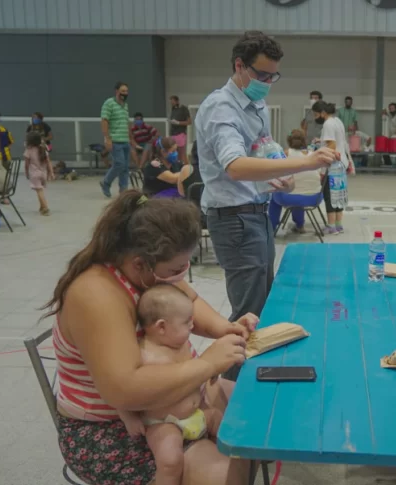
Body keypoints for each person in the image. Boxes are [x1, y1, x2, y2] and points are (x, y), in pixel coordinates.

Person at [42, 191, 257, 485]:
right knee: (227, 472)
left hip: (166, 402)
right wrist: (207, 364)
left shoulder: (148, 276)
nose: (180, 277)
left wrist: (227, 328)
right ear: (140, 263)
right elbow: (124, 390)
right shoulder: (97, 294)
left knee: (257, 408)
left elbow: (187, 302)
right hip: (114, 428)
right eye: (175, 270)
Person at [195, 32, 338, 382]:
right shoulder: (221, 108)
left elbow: (265, 147)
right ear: (239, 66)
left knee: (261, 306)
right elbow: (236, 166)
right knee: (247, 314)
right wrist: (302, 163)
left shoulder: (253, 103)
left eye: (273, 76)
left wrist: (282, 173)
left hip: (255, 214)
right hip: (235, 219)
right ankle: (227, 391)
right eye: (262, 75)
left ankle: (244, 384)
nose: (267, 83)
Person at [118, 284, 227, 485]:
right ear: (161, 326)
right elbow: (121, 391)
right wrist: (128, 418)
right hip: (165, 423)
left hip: (198, 414)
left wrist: (212, 369)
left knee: (223, 423)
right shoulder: (144, 355)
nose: (192, 325)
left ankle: (233, 458)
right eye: (187, 322)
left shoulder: (181, 344)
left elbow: (197, 371)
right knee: (170, 461)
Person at [267, 129, 324, 234]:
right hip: (315, 197)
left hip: (290, 197)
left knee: (275, 195)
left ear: (289, 141)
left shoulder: (285, 154)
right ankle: (299, 225)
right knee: (298, 194)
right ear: (304, 140)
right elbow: (320, 176)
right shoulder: (314, 155)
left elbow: (276, 174)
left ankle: (272, 227)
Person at [313, 100, 352, 235]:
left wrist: (321, 165)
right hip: (341, 163)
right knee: (339, 195)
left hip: (333, 166)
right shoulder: (337, 121)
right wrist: (321, 141)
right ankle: (338, 225)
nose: (315, 117)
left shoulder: (328, 124)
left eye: (316, 114)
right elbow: (340, 142)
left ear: (323, 113)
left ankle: (331, 226)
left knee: (329, 195)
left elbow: (332, 146)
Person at [100, 81, 135, 198]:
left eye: (126, 91)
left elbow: (126, 122)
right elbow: (104, 121)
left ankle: (123, 191)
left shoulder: (125, 105)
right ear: (116, 91)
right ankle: (106, 182)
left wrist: (131, 138)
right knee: (119, 164)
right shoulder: (109, 103)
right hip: (115, 140)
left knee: (125, 167)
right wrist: (107, 138)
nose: (125, 93)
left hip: (125, 140)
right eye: (123, 91)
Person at [24, 132, 54, 215]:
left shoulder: (28, 150)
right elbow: (48, 162)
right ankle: (41, 207)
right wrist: (51, 173)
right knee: (40, 190)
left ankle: (46, 208)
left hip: (34, 174)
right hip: (43, 173)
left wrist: (26, 173)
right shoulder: (43, 149)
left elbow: (26, 164)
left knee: (39, 191)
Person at [170, 95, 192, 165]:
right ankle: (177, 167)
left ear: (177, 101)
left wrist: (178, 122)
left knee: (181, 153)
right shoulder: (173, 109)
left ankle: (186, 167)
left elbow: (189, 122)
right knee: (174, 152)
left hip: (180, 133)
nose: (172, 103)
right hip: (173, 134)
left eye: (173, 101)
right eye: (171, 102)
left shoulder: (183, 109)